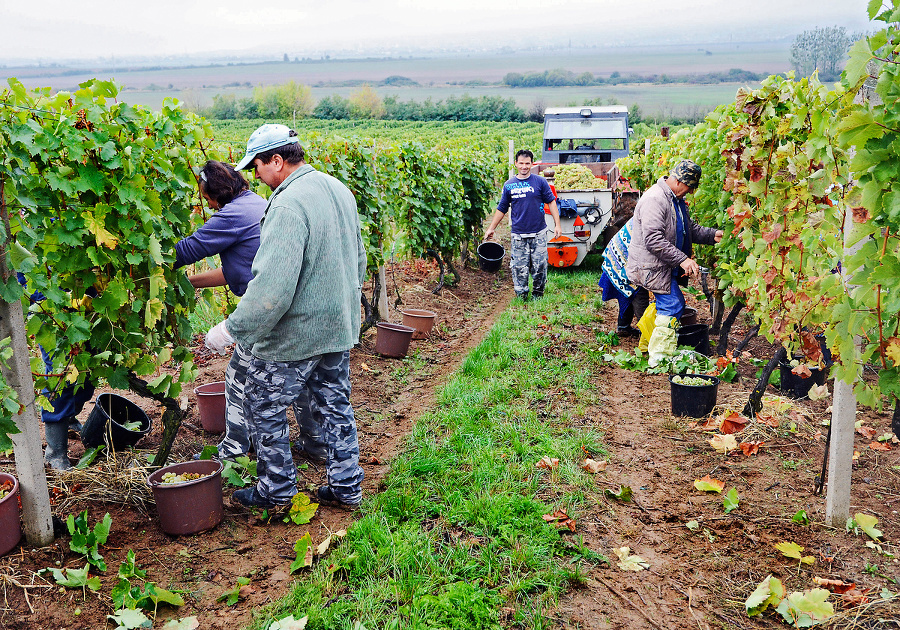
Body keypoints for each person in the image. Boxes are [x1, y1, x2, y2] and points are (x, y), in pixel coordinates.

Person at [205, 123, 367, 510]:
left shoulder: (288, 203)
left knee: (262, 402)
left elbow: (273, 288)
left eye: (256, 165)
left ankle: (275, 491)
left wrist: (231, 328)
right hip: (338, 324)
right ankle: (347, 487)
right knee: (334, 402)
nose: (254, 175)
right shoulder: (337, 188)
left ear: (277, 160)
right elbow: (358, 258)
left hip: (298, 333)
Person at [176, 161, 327, 464]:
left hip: (266, 311)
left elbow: (184, 251)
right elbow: (239, 270)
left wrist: (140, 264)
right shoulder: (256, 204)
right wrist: (192, 283)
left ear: (217, 194)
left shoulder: (230, 216)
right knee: (299, 381)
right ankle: (316, 444)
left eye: (207, 199)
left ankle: (236, 449)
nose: (208, 205)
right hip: (293, 309)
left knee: (238, 377)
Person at [625, 159, 723, 366]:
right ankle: (659, 358)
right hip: (650, 266)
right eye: (690, 187)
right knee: (672, 304)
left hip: (661, 264)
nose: (690, 192)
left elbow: (689, 229)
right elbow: (653, 239)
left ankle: (650, 344)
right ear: (679, 181)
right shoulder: (655, 199)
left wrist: (713, 235)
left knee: (668, 304)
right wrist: (683, 260)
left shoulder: (674, 200)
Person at [484, 149, 561, 301]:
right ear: (516, 164)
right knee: (519, 267)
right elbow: (501, 208)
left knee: (540, 266)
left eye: (527, 163)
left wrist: (557, 224)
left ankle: (538, 295)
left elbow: (551, 202)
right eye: (521, 163)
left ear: (532, 164)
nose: (524, 166)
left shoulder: (540, 182)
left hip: (538, 233)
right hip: (518, 234)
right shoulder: (509, 185)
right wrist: (491, 228)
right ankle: (521, 296)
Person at [598, 218, 650, 337]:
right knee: (638, 292)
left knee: (627, 293)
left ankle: (623, 327)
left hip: (622, 251)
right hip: (626, 256)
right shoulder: (658, 210)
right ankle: (648, 334)